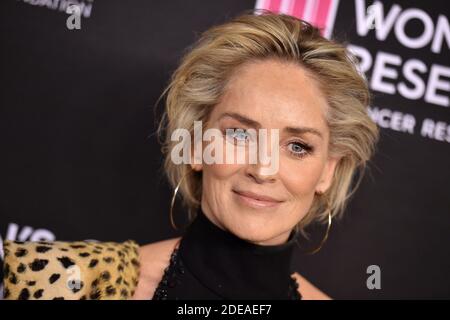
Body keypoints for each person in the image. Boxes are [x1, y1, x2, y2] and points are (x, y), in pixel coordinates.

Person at [2, 11, 379, 300]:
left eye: (298, 146)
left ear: (328, 170)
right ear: (196, 144)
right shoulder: (59, 282)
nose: (264, 169)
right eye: (239, 134)